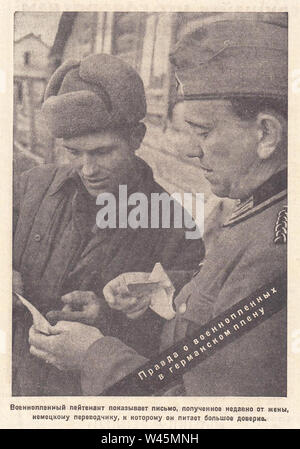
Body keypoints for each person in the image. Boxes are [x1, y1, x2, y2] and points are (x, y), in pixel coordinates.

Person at [29, 14, 288, 396]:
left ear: (266, 133)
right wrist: (161, 293)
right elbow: (212, 320)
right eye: (74, 152)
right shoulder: (259, 209)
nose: (189, 148)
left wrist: (93, 356)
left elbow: (210, 410)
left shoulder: (276, 250)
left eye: (202, 131)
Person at [13, 54, 203, 396]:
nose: (87, 169)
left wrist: (108, 320)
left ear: (136, 137)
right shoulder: (29, 188)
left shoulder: (175, 226)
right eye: (74, 153)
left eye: (102, 152)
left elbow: (179, 345)